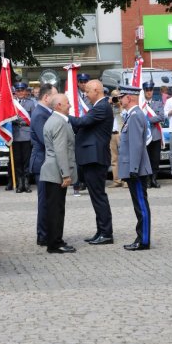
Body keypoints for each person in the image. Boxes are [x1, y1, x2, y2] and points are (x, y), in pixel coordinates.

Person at [69, 79, 114, 245]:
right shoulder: (99, 106)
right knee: (96, 196)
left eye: (87, 91)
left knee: (98, 196)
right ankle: (101, 231)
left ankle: (106, 233)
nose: (85, 95)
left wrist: (64, 116)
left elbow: (82, 122)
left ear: (96, 91)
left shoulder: (102, 107)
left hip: (95, 158)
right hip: (92, 157)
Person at [40, 94, 77, 253]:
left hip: (52, 170)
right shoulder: (59, 123)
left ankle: (53, 240)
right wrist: (66, 174)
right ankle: (56, 243)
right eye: (68, 103)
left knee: (53, 208)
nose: (70, 105)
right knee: (56, 209)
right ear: (59, 105)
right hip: (56, 171)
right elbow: (60, 150)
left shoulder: (54, 120)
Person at [118, 85, 152, 250]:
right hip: (134, 168)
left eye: (121, 96)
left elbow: (137, 146)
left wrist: (133, 169)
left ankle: (143, 240)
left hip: (136, 169)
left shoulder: (135, 116)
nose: (119, 100)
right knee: (139, 205)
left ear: (128, 97)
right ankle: (141, 238)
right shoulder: (132, 116)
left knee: (141, 205)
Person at [30, 83, 58, 246]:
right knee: (45, 201)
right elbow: (45, 139)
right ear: (46, 97)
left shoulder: (44, 112)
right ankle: (43, 235)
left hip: (45, 162)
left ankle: (47, 232)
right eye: (54, 96)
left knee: (48, 201)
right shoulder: (41, 114)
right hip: (42, 163)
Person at [12, 82, 35, 193]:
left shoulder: (30, 104)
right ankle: (19, 183)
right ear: (15, 92)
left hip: (26, 133)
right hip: (15, 133)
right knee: (17, 160)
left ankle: (27, 183)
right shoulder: (11, 103)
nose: (20, 92)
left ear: (26, 91)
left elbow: (34, 120)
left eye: (22, 90)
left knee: (26, 160)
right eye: (18, 90)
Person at [143, 81, 165, 188]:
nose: (148, 92)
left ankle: (154, 179)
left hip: (155, 134)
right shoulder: (140, 104)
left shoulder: (158, 103)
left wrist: (147, 120)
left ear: (152, 91)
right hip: (144, 135)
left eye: (150, 90)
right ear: (144, 91)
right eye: (146, 90)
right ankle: (147, 180)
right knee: (146, 158)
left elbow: (161, 117)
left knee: (155, 158)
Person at [108, 89, 128, 188]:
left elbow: (126, 117)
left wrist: (119, 105)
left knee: (124, 157)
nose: (116, 99)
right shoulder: (109, 107)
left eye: (118, 96)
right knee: (114, 159)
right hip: (112, 134)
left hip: (121, 134)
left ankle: (127, 180)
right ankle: (117, 180)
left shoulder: (123, 106)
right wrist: (110, 104)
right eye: (114, 97)